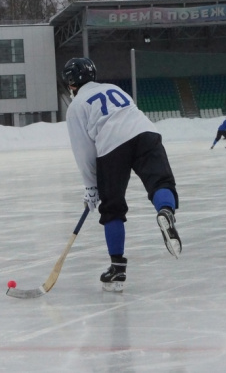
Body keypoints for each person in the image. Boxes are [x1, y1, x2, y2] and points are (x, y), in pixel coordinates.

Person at [62, 57, 180, 293]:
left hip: (112, 145)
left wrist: (91, 188)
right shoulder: (113, 88)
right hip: (146, 132)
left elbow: (84, 152)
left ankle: (117, 269)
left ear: (72, 83)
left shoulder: (76, 106)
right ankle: (165, 210)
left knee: (113, 206)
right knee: (160, 182)